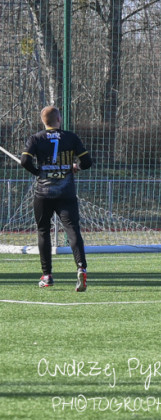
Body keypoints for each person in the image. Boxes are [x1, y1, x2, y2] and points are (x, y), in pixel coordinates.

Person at [20, 106, 93, 290]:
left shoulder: (36, 138)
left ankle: (47, 276)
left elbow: (24, 161)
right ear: (59, 119)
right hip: (66, 193)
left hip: (43, 193)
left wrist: (37, 172)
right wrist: (76, 166)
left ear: (44, 121)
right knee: (73, 230)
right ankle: (81, 268)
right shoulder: (71, 137)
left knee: (43, 231)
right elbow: (87, 162)